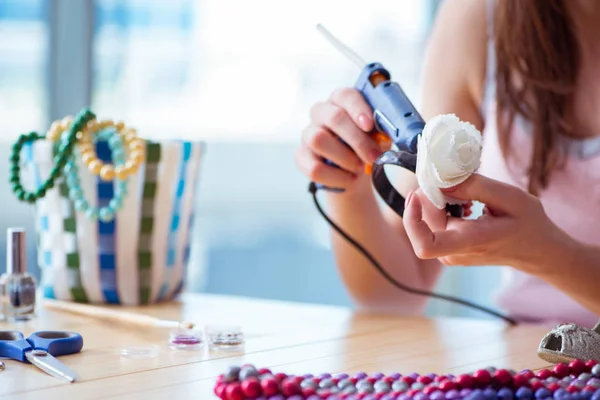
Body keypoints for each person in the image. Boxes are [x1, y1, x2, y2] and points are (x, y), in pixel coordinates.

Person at [294, 0, 600, 327]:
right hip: (538, 359)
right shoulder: (478, 17)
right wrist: (349, 188)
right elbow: (396, 292)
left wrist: (547, 253)